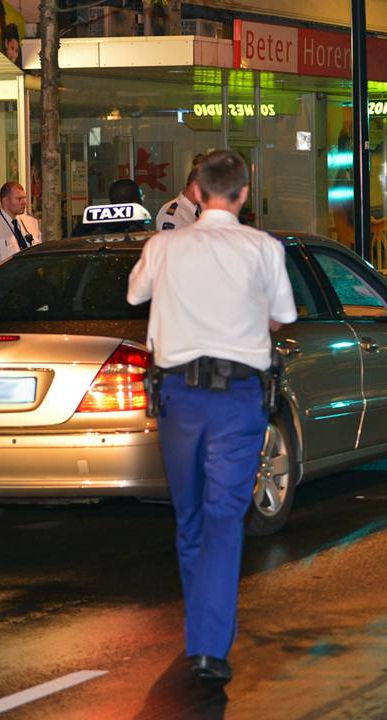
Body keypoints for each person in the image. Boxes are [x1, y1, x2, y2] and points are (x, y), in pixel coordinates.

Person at [126, 150, 296, 683]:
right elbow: (283, 317)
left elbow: (135, 294)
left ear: (196, 191)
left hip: (179, 398)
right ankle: (207, 646)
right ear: (243, 193)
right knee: (225, 518)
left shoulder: (165, 245)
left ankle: (200, 636)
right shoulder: (263, 248)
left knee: (192, 517)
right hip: (239, 398)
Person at [0, 181, 42, 272]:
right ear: (5, 201)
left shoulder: (31, 222)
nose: (24, 202)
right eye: (19, 199)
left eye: (24, 198)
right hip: (5, 281)